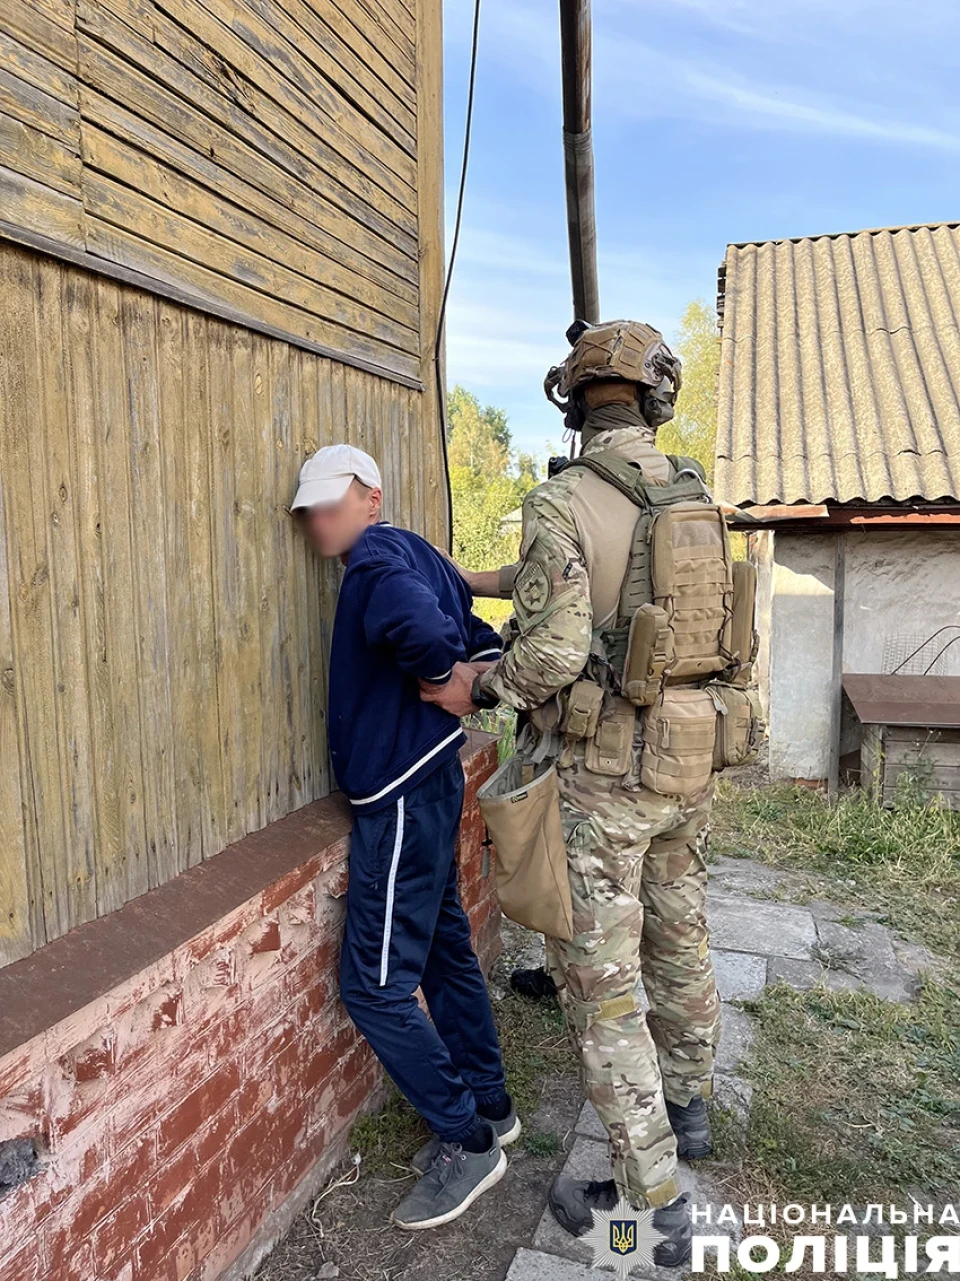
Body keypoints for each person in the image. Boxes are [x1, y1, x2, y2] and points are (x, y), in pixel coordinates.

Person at [422, 320, 732, 1266]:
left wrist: (477, 686)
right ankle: (692, 1106)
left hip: (606, 777)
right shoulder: (690, 490)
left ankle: (657, 1203)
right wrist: (472, 578)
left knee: (600, 989)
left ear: (573, 399)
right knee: (681, 935)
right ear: (653, 399)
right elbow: (581, 585)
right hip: (689, 759)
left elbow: (555, 644)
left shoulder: (560, 496)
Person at [292, 443, 520, 1231]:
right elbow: (470, 619)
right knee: (441, 948)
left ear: (370, 496)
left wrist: (448, 677)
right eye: (309, 507)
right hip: (430, 781)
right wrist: (475, 665)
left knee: (374, 987)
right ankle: (491, 1103)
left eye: (331, 502)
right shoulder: (419, 549)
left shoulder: (375, 561)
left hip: (395, 795)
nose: (318, 519)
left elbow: (418, 625)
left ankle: (468, 1137)